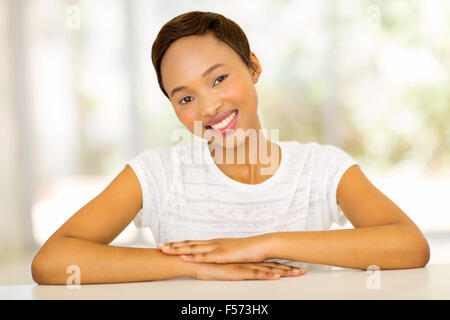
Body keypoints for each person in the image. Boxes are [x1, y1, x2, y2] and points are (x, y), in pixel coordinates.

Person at [31, 11, 430, 285]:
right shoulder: (157, 174)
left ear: (253, 67)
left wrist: (263, 245)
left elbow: (410, 245)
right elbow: (51, 263)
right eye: (185, 98)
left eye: (218, 79)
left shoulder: (320, 168)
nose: (208, 107)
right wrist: (197, 267)